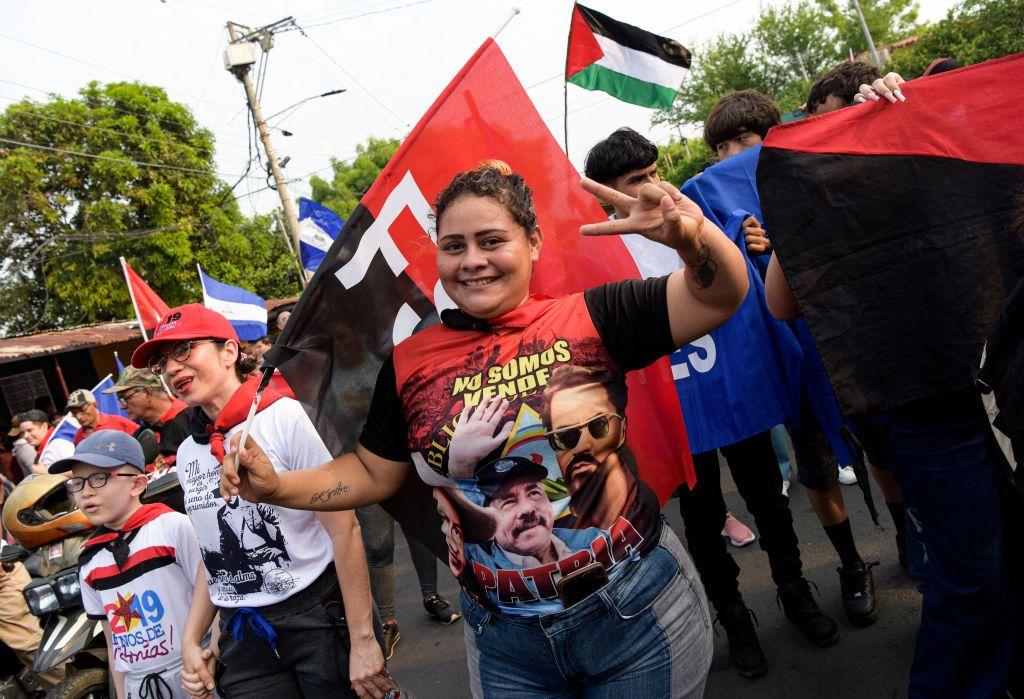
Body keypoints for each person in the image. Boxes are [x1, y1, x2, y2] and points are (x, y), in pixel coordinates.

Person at [222, 160, 750, 697]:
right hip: (505, 642)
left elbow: (717, 296)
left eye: (491, 241)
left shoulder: (592, 317)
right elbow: (371, 473)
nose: (472, 261)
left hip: (633, 610)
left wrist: (696, 241)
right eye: (453, 246)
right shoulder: (409, 363)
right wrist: (277, 488)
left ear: (533, 243)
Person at [766, 72, 1017, 699]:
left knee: (1006, 557)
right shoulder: (818, 201)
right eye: (825, 126)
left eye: (856, 116)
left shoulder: (934, 154)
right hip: (923, 406)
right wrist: (803, 211)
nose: (845, 135)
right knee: (971, 577)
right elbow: (781, 303)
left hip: (996, 386)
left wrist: (921, 115)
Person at [584, 125, 838, 679]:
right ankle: (737, 623)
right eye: (635, 181)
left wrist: (747, 243)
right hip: (676, 416)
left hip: (734, 394)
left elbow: (741, 273)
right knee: (703, 525)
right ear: (607, 197)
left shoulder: (699, 218)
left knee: (769, 502)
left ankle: (796, 594)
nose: (653, 188)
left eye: (654, 172)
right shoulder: (597, 258)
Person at [129, 304, 387, 699]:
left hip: (317, 618)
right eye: (162, 362)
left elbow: (345, 531)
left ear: (229, 351)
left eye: (184, 351)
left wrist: (364, 639)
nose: (171, 369)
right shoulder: (187, 453)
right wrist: (194, 638)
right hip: (245, 635)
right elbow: (211, 555)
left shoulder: (284, 416)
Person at [55, 430, 203, 699]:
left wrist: (211, 655)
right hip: (140, 686)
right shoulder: (90, 561)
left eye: (99, 478)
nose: (86, 492)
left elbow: (213, 596)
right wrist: (123, 694)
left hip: (194, 674)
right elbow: (114, 642)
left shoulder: (172, 527)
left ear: (137, 484)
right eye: (77, 482)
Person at [356, 505, 460, 661]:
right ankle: (387, 622)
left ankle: (431, 597)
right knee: (377, 547)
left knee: (418, 532)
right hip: (366, 483)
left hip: (404, 480)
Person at [102, 367, 191, 468]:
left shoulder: (194, 418)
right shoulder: (138, 436)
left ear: (147, 392)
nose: (122, 407)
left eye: (125, 399)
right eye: (120, 401)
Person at [66, 389, 137, 446]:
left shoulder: (118, 422)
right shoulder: (78, 436)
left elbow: (145, 440)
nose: (79, 417)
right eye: (74, 413)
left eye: (83, 410)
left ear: (95, 405)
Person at [17, 409, 73, 475]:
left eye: (30, 430)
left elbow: (79, 471)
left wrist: (47, 474)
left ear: (44, 426)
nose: (25, 436)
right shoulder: (46, 446)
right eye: (23, 432)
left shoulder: (59, 443)